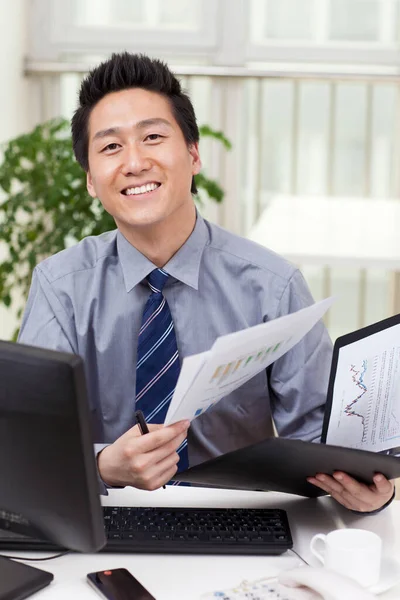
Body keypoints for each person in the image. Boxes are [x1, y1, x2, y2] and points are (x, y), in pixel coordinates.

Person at [18, 52, 394, 512]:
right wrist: (101, 465)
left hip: (241, 516)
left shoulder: (272, 284)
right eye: (111, 147)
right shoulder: (61, 286)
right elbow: (28, 444)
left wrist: (360, 482)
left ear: (193, 155)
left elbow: (316, 432)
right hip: (105, 517)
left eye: (153, 137)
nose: (134, 163)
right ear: (92, 181)